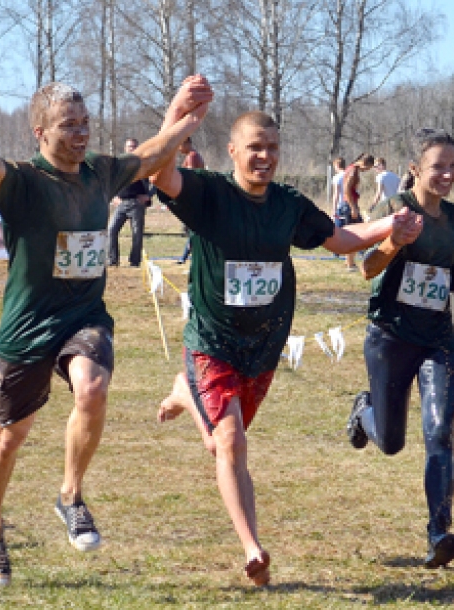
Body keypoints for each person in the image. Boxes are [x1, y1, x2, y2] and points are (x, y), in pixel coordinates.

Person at [0, 76, 212, 587]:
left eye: (86, 122)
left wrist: (185, 121)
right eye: (69, 124)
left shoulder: (101, 173)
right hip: (27, 328)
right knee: (10, 437)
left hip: (83, 317)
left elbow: (152, 154)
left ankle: (70, 496)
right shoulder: (23, 181)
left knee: (92, 388)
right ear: (40, 132)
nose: (81, 132)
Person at [151, 101, 422, 587]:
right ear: (233, 151)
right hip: (213, 341)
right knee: (231, 442)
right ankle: (252, 548)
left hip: (263, 347)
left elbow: (338, 239)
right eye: (255, 147)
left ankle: (181, 391)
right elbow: (160, 174)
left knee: (220, 444)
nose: (265, 156)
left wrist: (390, 229)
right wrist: (176, 117)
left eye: (272, 148)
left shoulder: (288, 204)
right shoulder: (209, 194)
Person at [345, 128, 454, 569]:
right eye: (438, 166)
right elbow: (367, 268)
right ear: (416, 170)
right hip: (390, 335)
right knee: (391, 443)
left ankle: (439, 532)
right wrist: (393, 241)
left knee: (439, 432)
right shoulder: (394, 208)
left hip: (438, 339)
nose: (447, 174)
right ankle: (365, 412)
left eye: (453, 166)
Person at [107, 138, 153, 267]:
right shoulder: (120, 164)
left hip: (136, 204)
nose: (131, 149)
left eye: (133, 146)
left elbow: (155, 181)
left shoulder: (143, 164)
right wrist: (114, 196)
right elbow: (112, 182)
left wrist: (148, 196)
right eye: (129, 146)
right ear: (125, 148)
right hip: (121, 203)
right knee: (111, 230)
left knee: (137, 233)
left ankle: (135, 261)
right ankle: (113, 260)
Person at [340, 153, 376, 270]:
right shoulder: (353, 171)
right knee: (355, 235)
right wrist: (353, 207)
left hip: (349, 203)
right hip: (349, 204)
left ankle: (349, 261)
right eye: (368, 167)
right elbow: (346, 189)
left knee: (353, 233)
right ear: (363, 162)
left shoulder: (351, 168)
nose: (366, 170)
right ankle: (350, 264)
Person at [175, 137, 205, 264]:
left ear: (187, 143)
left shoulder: (192, 156)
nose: (179, 149)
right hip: (195, 196)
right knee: (192, 229)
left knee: (193, 229)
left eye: (180, 145)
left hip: (194, 197)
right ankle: (185, 256)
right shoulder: (193, 155)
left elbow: (190, 177)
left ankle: (185, 257)